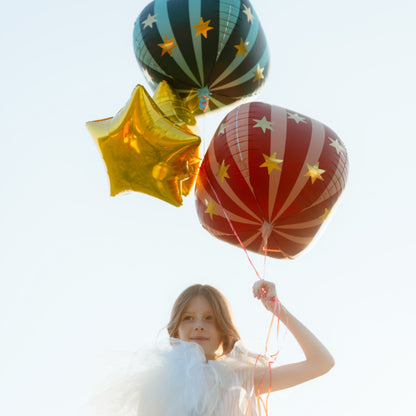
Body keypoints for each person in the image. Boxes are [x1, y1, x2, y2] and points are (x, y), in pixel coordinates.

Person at [93, 280, 334, 416]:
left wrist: (276, 308)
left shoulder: (240, 379)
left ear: (224, 329)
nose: (198, 326)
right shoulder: (158, 383)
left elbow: (321, 363)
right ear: (176, 330)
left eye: (209, 318)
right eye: (188, 318)